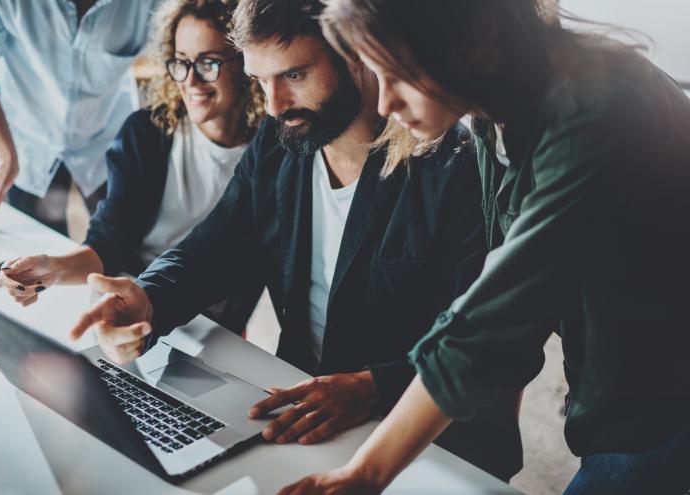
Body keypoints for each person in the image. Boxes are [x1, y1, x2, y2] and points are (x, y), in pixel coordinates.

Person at [67, 0, 524, 481]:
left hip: (424, 442)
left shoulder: (453, 164)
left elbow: (490, 347)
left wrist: (370, 387)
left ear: (356, 56)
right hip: (300, 413)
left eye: (294, 76)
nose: (274, 105)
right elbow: (215, 246)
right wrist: (148, 297)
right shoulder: (279, 139)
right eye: (260, 81)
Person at [278, 0, 690, 493]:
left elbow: (495, 320)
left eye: (398, 74)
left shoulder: (599, 112)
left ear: (466, 43)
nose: (384, 103)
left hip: (663, 402)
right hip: (616, 387)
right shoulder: (490, 111)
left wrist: (365, 472)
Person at [0, 0, 266, 332]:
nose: (192, 81)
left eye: (208, 63)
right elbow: (109, 242)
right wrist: (51, 269)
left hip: (211, 325)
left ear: (247, 64)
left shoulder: (270, 155)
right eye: (181, 62)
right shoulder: (145, 135)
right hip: (127, 308)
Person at [0, 0, 160, 235]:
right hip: (28, 142)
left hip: (107, 133)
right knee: (33, 254)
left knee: (126, 247)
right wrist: (5, 154)